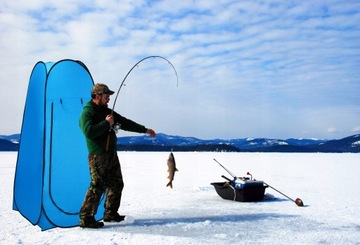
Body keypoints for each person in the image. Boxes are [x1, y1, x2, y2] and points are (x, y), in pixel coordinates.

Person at [79, 83, 156, 228]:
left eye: (109, 96)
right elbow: (89, 131)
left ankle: (111, 214)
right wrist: (106, 123)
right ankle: (85, 218)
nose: (108, 99)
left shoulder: (107, 111)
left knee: (116, 183)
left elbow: (125, 122)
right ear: (97, 97)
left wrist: (144, 129)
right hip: (98, 156)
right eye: (106, 96)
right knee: (97, 186)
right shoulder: (88, 112)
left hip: (111, 155)